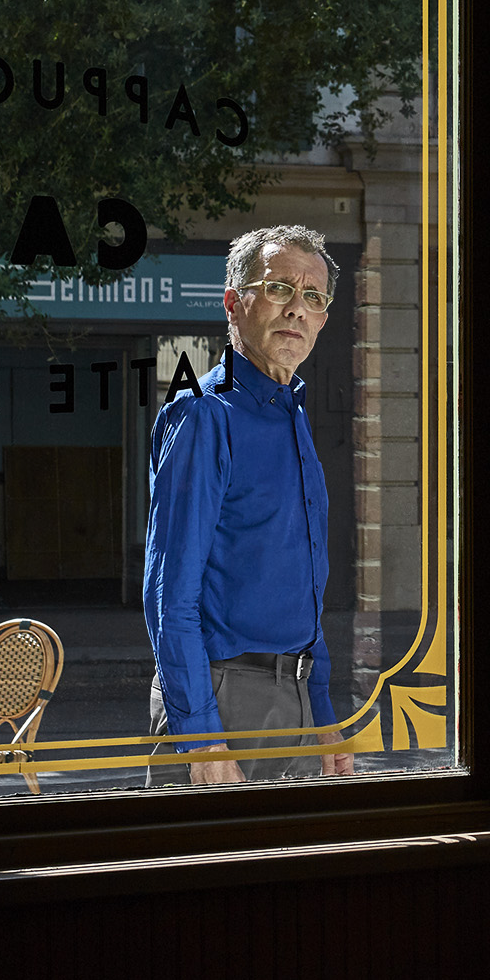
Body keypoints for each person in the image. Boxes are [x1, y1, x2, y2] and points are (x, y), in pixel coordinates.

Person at [144, 224, 355, 784]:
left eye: (313, 297)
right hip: (220, 703)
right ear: (234, 304)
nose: (297, 309)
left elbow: (303, 584)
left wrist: (324, 715)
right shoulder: (203, 416)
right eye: (280, 289)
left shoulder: (295, 415)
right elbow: (170, 598)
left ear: (324, 319)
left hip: (297, 702)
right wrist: (202, 739)